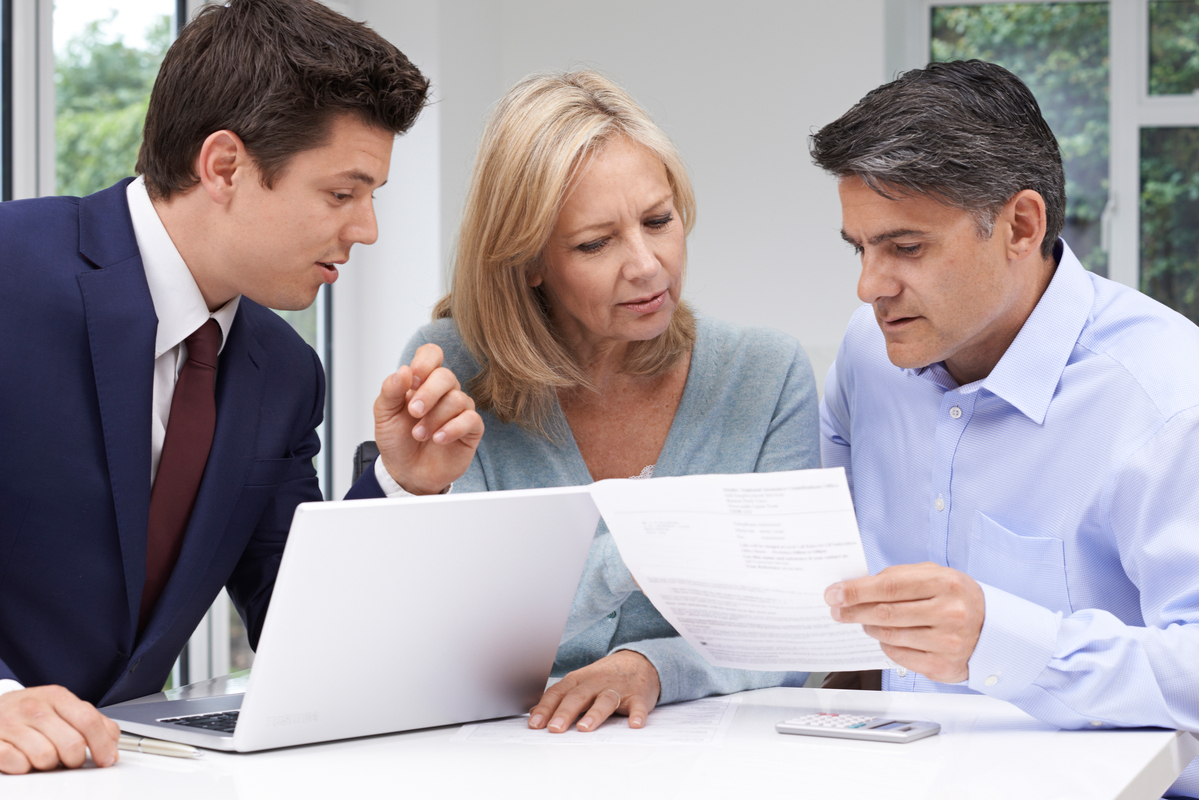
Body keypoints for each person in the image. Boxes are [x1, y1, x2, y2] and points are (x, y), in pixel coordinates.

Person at [0, 0, 482, 775]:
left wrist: (404, 486)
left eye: (372, 197)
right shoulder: (9, 268)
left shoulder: (285, 374)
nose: (367, 230)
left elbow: (307, 632)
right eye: (341, 194)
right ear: (223, 166)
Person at [810, 60, 1199, 797]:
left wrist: (1006, 639)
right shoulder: (867, 354)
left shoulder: (1169, 402)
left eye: (905, 247)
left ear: (1021, 225)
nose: (868, 287)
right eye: (857, 248)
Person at [398, 70, 819, 735]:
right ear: (529, 261)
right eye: (595, 243)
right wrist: (639, 548)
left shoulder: (766, 374)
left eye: (659, 220)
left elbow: (792, 631)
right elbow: (459, 636)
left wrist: (651, 668)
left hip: (705, 759)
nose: (648, 265)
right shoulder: (451, 371)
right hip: (500, 755)